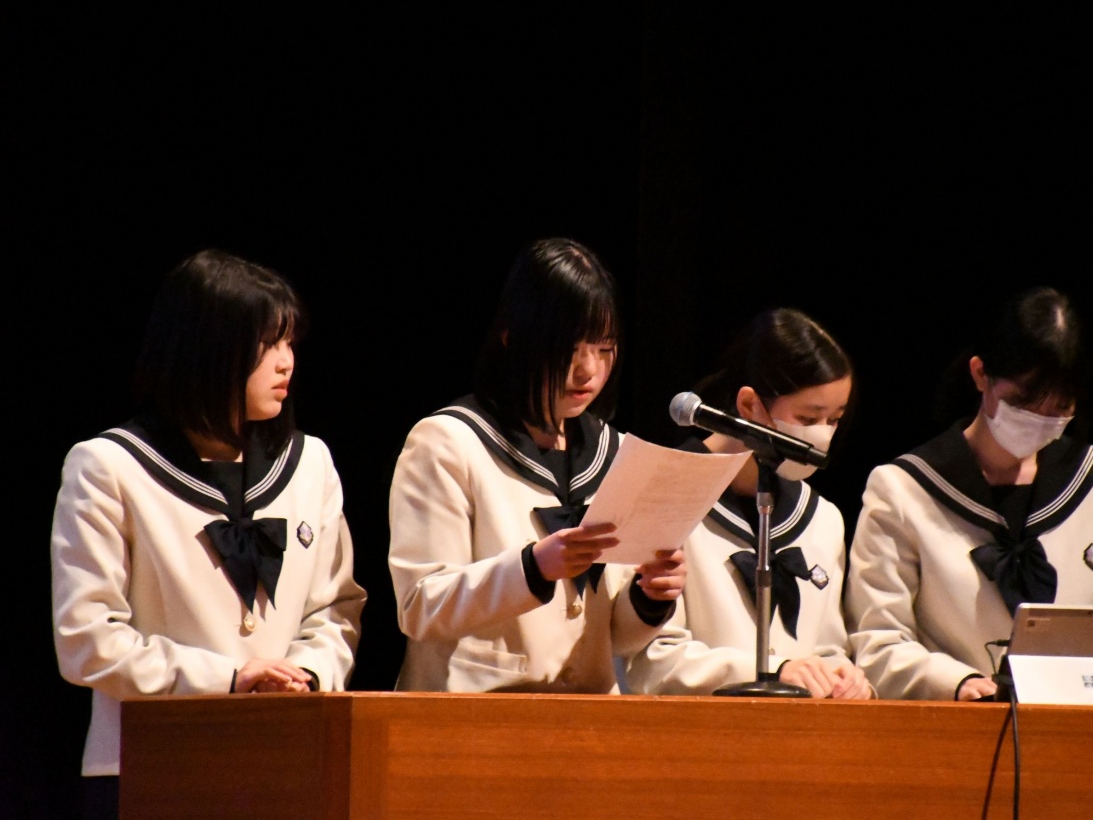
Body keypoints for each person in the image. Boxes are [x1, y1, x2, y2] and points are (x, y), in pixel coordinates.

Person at [50, 249, 367, 820]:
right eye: (268, 344)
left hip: (287, 759)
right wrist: (227, 678)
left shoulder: (311, 462)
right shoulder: (109, 466)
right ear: (207, 347)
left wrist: (306, 676)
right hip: (149, 765)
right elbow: (86, 638)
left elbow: (335, 609)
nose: (287, 363)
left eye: (290, 342)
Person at [388, 237, 686, 693]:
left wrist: (648, 596)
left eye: (603, 348)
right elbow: (420, 605)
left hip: (587, 717)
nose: (588, 370)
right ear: (512, 337)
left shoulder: (616, 451)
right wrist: (531, 568)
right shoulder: (448, 441)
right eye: (568, 348)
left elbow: (614, 638)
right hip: (470, 715)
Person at [845, 285, 1093, 701]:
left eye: (1060, 408)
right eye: (1022, 401)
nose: (1040, 420)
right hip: (953, 718)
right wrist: (957, 682)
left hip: (1072, 716)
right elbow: (878, 640)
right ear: (981, 374)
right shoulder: (904, 488)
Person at [625, 308, 875, 699]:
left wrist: (842, 675)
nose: (822, 437)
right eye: (808, 418)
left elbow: (827, 647)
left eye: (834, 420)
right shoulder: (665, 496)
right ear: (748, 405)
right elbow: (649, 662)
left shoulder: (824, 518)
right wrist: (773, 673)